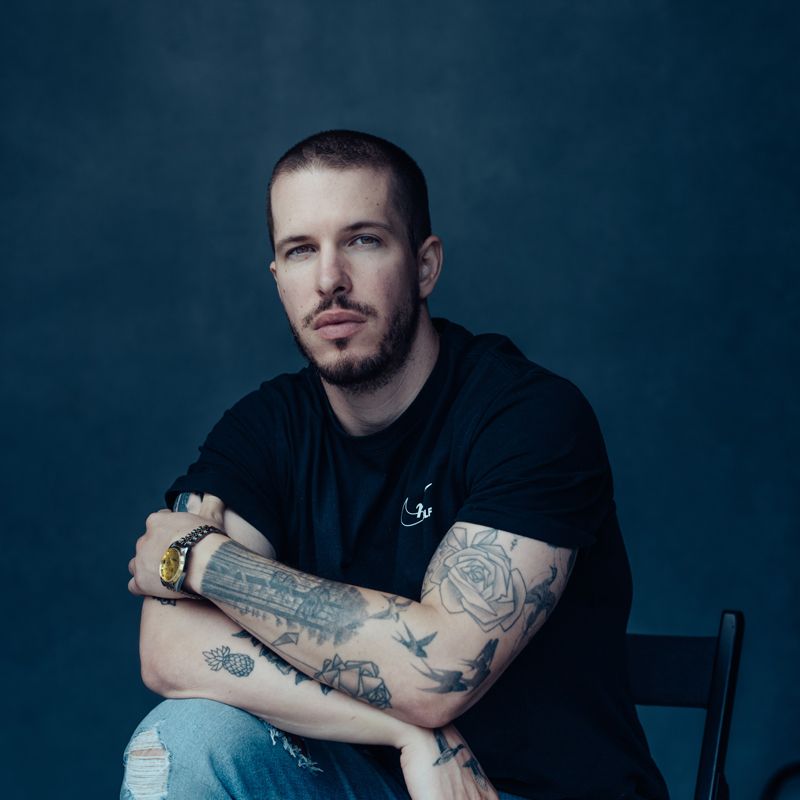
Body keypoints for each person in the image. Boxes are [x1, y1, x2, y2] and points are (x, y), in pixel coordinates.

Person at [122, 130, 668, 800]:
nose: (329, 280)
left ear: (425, 264)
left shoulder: (529, 419)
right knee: (181, 737)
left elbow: (436, 672)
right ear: (278, 278)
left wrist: (205, 561)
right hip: (368, 780)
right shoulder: (264, 430)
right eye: (300, 251)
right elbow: (169, 651)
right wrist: (407, 734)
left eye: (362, 240)